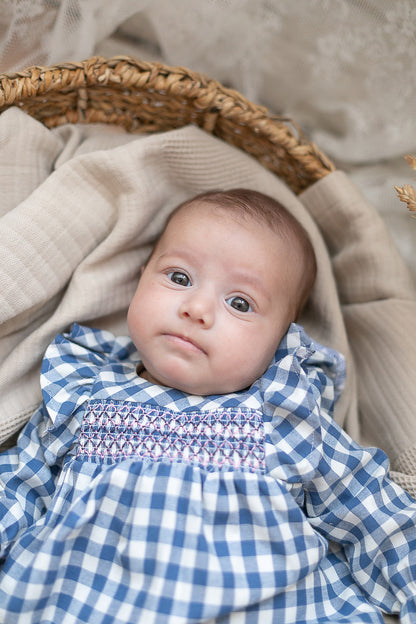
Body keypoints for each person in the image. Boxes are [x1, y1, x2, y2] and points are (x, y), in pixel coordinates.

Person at [0, 188, 415, 624]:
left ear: (280, 339)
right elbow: (18, 484)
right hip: (81, 600)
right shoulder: (85, 390)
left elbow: (374, 513)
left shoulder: (284, 413)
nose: (196, 308)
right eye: (179, 277)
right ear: (140, 280)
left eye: (240, 303)